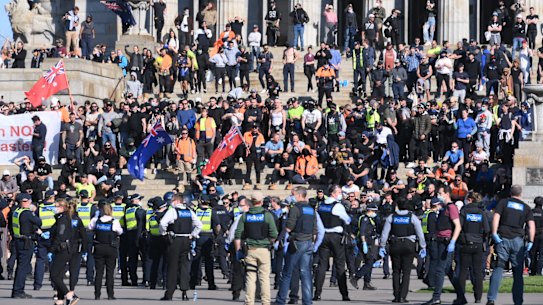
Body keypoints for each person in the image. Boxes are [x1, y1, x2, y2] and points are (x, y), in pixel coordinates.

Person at [487, 185, 535, 305]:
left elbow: (496, 217)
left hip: (503, 238)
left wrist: (494, 233)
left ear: (510, 192)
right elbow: (531, 225)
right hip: (518, 240)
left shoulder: (503, 202)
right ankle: (518, 301)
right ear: (521, 194)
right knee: (517, 273)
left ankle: (491, 299)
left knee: (499, 268)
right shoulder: (526, 207)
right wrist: (531, 241)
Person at [275, 187, 322, 305]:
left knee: (287, 273)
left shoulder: (295, 208)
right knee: (305, 273)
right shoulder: (311, 209)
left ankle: (280, 300)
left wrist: (281, 238)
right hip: (308, 242)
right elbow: (315, 229)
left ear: (299, 195)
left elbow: (289, 226)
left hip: (297, 242)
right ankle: (307, 301)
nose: (292, 197)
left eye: (294, 195)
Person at [234, 192, 278, 305]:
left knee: (250, 277)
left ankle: (249, 301)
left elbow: (238, 234)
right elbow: (274, 234)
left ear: (251, 202)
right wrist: (269, 243)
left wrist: (238, 251)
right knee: (264, 278)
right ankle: (266, 302)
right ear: (262, 201)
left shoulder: (245, 216)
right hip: (263, 250)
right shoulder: (267, 215)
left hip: (250, 250)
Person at [379, 197, 426, 303]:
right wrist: (423, 247)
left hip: (395, 244)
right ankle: (402, 296)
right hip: (409, 245)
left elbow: (385, 234)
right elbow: (420, 233)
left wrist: (382, 246)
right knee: (406, 272)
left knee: (396, 271)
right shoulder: (412, 217)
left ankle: (396, 295)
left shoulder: (392, 217)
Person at [423, 185, 462, 305]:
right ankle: (461, 295)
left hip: (447, 241)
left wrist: (453, 242)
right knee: (448, 270)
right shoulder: (443, 208)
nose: (438, 195)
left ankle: (436, 297)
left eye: (440, 193)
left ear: (446, 194)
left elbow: (458, 226)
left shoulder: (451, 207)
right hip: (440, 240)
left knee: (440, 270)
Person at [159, 193, 202, 300]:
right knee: (185, 266)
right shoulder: (189, 211)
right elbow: (199, 225)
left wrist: (163, 234)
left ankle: (169, 293)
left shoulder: (173, 211)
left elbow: (162, 223)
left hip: (175, 240)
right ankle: (184, 291)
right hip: (187, 240)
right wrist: (193, 235)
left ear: (177, 201)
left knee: (172, 267)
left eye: (172, 200)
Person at [313, 185, 351, 301]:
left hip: (323, 236)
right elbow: (347, 220)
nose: (341, 194)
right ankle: (344, 294)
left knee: (322, 266)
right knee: (340, 265)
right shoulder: (338, 205)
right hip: (335, 236)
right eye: (339, 192)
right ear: (333, 193)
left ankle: (317, 293)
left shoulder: (321, 205)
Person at [455, 192, 489, 305]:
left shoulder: (464, 211)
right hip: (478, 244)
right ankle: (478, 297)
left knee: (463, 271)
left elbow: (459, 226)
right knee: (478, 272)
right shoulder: (481, 212)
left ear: (469, 200)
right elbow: (487, 229)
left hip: (466, 243)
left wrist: (462, 239)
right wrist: (481, 238)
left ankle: (461, 296)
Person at [49, 199, 82, 305]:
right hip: (65, 248)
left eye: (56, 206)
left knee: (54, 275)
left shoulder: (63, 219)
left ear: (62, 207)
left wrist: (51, 249)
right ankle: (59, 300)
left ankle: (69, 295)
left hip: (62, 248)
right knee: (58, 275)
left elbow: (60, 235)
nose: (54, 208)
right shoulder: (62, 218)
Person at [88, 202, 123, 300]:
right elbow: (120, 231)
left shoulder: (96, 220)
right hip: (111, 248)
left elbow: (89, 227)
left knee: (99, 272)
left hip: (99, 247)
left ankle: (97, 294)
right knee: (110, 272)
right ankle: (110, 294)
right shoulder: (114, 221)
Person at [10, 193, 42, 299]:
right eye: (27, 201)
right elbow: (39, 221)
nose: (29, 203)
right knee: (23, 267)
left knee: (20, 266)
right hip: (26, 241)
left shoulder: (16, 211)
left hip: (17, 240)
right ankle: (19, 291)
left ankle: (16, 290)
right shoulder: (27, 213)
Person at [350, 203, 379, 290]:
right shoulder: (365, 219)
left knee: (369, 261)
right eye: (374, 211)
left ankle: (367, 283)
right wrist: (364, 243)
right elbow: (362, 231)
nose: (375, 213)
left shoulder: (369, 219)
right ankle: (356, 278)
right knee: (370, 262)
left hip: (370, 241)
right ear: (370, 210)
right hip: (365, 242)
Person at [190, 196, 217, 290]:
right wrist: (216, 236)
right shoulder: (211, 211)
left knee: (196, 261)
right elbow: (217, 226)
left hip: (197, 237)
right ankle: (211, 284)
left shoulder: (196, 211)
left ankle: (193, 283)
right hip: (208, 237)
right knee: (209, 262)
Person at [75, 190, 98, 286]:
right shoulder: (92, 207)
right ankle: (89, 279)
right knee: (90, 256)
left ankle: (74, 278)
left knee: (77, 257)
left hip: (77, 233)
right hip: (89, 233)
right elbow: (95, 221)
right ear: (88, 197)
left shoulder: (77, 207)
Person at [530, 196, 543, 275]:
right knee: (541, 254)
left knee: (532, 253)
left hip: (532, 234)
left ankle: (532, 270)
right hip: (542, 235)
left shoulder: (531, 212)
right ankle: (539, 271)